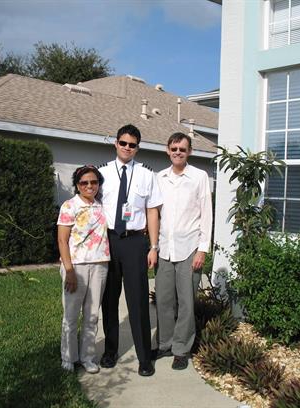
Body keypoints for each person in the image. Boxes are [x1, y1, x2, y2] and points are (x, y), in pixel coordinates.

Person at [97, 124, 162, 377]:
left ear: (137, 148)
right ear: (116, 143)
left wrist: (153, 247)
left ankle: (145, 358)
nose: (127, 147)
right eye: (123, 143)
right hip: (109, 241)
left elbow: (152, 212)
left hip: (135, 243)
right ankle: (110, 351)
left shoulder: (147, 175)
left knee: (138, 302)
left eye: (132, 144)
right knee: (109, 300)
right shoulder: (101, 173)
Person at [154, 132, 213, 370]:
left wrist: (203, 250)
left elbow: (206, 214)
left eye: (182, 148)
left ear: (189, 152)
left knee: (186, 302)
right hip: (165, 248)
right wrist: (153, 246)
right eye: (174, 148)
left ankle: (181, 349)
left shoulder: (199, 177)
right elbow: (154, 213)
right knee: (164, 299)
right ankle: (165, 344)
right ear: (167, 150)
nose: (178, 152)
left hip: (190, 248)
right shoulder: (160, 178)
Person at [57, 165, 110, 374]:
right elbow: (62, 240)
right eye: (84, 182)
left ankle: (88, 357)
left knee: (92, 315)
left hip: (100, 265)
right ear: (77, 185)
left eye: (94, 182)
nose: (89, 186)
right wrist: (69, 270)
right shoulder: (69, 206)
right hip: (76, 266)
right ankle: (68, 357)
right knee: (71, 315)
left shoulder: (101, 205)